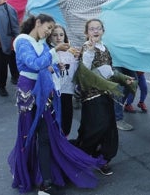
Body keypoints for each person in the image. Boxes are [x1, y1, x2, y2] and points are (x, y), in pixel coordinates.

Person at [8, 14, 105, 194]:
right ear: (38, 23)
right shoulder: (22, 41)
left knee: (46, 135)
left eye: (52, 29)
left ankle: (45, 180)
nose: (50, 31)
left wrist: (55, 64)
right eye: (49, 27)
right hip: (29, 92)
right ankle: (30, 174)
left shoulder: (40, 43)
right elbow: (34, 64)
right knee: (29, 134)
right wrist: (55, 51)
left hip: (45, 91)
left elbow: (44, 65)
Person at [72, 19, 135, 176]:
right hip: (92, 97)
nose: (95, 31)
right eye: (92, 29)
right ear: (87, 32)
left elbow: (110, 70)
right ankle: (81, 157)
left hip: (106, 94)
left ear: (103, 31)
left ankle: (103, 160)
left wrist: (123, 78)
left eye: (98, 28)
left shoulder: (105, 48)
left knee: (109, 129)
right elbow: (83, 71)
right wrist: (90, 51)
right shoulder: (87, 48)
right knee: (96, 128)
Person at [46, 24, 80, 137]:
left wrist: (78, 59)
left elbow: (76, 70)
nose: (58, 38)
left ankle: (64, 136)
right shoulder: (48, 52)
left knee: (67, 114)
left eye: (61, 35)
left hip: (68, 89)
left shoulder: (72, 52)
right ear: (50, 37)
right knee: (53, 113)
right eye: (55, 35)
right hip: (54, 90)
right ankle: (54, 137)